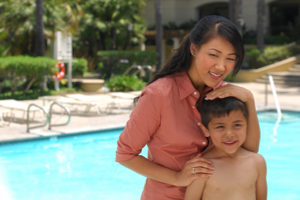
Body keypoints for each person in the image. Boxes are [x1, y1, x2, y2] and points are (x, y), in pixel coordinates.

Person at [116, 15, 260, 200]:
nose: (221, 66)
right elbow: (125, 154)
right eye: (213, 55)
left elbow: (249, 150)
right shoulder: (159, 94)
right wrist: (177, 178)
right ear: (194, 48)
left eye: (230, 58)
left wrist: (249, 99)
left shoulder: (226, 95)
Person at [184, 97, 267, 200]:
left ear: (247, 126)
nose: (229, 134)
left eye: (237, 125)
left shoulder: (257, 162)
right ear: (206, 130)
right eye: (220, 127)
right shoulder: (203, 167)